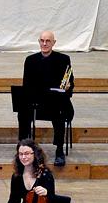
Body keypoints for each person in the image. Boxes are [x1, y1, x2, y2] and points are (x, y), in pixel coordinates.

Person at [18, 31, 74, 167]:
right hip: (37, 103)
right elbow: (26, 86)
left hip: (57, 104)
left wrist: (68, 87)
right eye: (42, 40)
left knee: (59, 114)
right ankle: (24, 148)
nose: (44, 44)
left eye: (48, 41)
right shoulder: (30, 60)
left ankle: (59, 150)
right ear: (39, 42)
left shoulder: (63, 59)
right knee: (23, 113)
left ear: (54, 43)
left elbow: (70, 83)